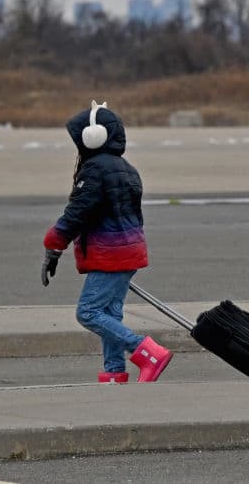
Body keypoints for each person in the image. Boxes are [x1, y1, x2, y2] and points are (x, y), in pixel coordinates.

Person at [41, 100, 173, 384]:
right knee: (110, 314)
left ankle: (147, 352)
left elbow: (77, 212)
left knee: (88, 312)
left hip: (110, 253)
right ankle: (114, 373)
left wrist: (54, 244)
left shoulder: (94, 170)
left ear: (92, 137)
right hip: (129, 250)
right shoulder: (126, 168)